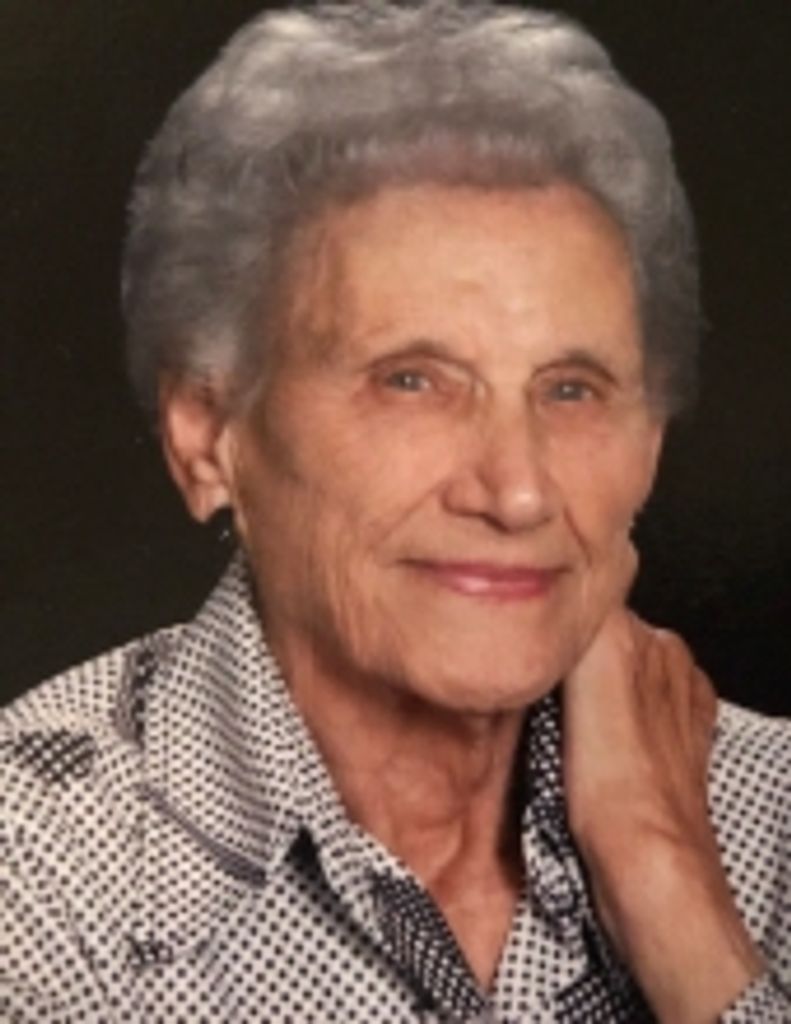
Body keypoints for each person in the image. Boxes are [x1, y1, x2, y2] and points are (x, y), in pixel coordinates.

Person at [2, 2, 789, 1020]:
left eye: (570, 389)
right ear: (207, 434)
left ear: (649, 443)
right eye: (412, 381)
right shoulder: (34, 865)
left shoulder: (768, 819)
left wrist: (666, 881)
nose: (516, 490)